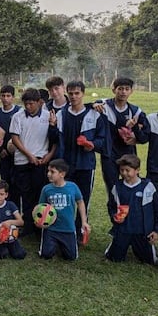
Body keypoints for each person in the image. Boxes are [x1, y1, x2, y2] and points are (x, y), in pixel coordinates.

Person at [55, 80, 107, 238]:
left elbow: (102, 139)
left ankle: (80, 230)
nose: (73, 96)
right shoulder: (61, 114)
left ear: (83, 94)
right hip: (65, 165)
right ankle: (64, 230)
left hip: (85, 165)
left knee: (83, 199)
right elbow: (56, 139)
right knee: (63, 198)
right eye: (70, 93)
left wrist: (92, 144)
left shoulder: (94, 113)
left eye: (77, 93)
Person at [9, 88, 58, 236]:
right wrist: (28, 155)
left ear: (39, 102)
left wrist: (49, 155)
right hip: (22, 161)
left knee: (40, 193)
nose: (28, 106)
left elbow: (54, 139)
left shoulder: (48, 116)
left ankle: (40, 225)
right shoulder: (17, 116)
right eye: (26, 104)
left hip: (41, 161)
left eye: (31, 103)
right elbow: (15, 138)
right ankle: (27, 225)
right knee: (25, 194)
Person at [93, 78, 150, 199]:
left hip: (129, 155)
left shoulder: (136, 112)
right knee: (112, 189)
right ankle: (116, 216)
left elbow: (145, 137)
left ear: (131, 91)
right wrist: (93, 105)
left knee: (132, 187)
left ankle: (132, 214)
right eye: (120, 89)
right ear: (113, 89)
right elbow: (86, 109)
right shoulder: (103, 105)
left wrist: (135, 132)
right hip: (109, 154)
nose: (123, 92)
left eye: (126, 89)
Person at [105, 154, 158, 265]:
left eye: (128, 170)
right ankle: (116, 243)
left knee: (150, 261)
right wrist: (114, 217)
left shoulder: (148, 186)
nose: (124, 173)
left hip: (142, 232)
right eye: (122, 170)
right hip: (123, 229)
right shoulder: (117, 187)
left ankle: (145, 247)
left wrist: (156, 230)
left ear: (137, 170)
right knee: (114, 258)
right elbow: (111, 206)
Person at [38, 159, 90, 261]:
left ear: (62, 174)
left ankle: (61, 245)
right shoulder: (46, 189)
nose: (48, 174)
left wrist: (84, 221)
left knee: (71, 257)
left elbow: (80, 202)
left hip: (68, 228)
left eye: (52, 172)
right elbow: (40, 207)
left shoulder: (73, 187)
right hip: (51, 229)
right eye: (48, 171)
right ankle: (53, 244)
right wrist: (39, 221)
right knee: (46, 255)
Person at [0, 85, 21, 184]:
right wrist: (0, 149)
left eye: (8, 96)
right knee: (5, 180)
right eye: (3, 96)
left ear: (13, 97)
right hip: (3, 152)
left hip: (17, 152)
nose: (5, 98)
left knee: (17, 180)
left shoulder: (19, 111)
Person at [0, 180, 26, 260]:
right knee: (3, 254)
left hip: (11, 236)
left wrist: (9, 222)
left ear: (6, 195)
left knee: (19, 255)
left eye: (1, 194)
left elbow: (21, 222)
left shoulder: (11, 205)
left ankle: (15, 246)